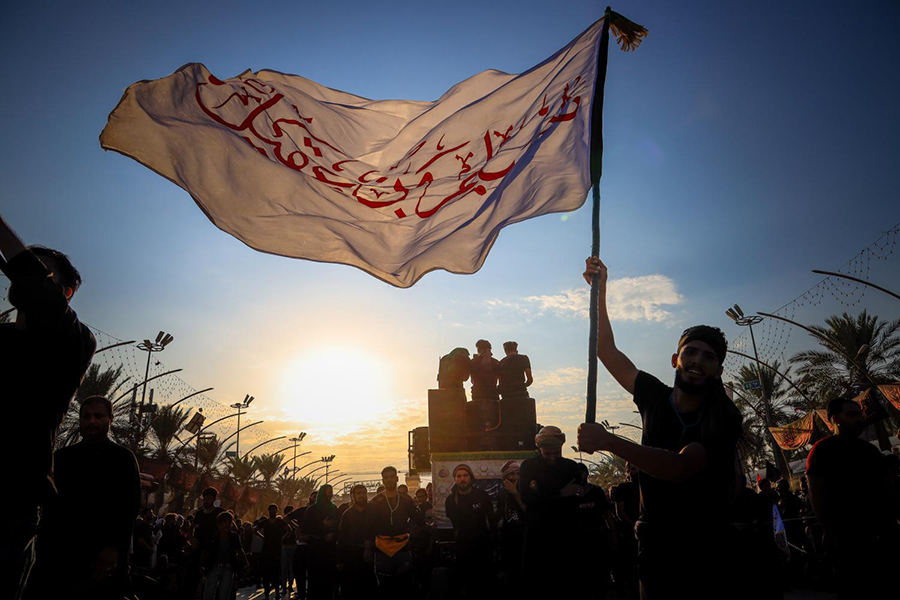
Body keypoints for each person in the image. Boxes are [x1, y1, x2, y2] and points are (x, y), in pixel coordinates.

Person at [577, 256, 744, 600]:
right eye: (691, 352)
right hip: (654, 542)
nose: (697, 360)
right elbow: (605, 350)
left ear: (718, 371)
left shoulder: (723, 415)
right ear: (675, 360)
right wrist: (600, 290)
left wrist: (609, 441)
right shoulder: (653, 394)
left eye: (709, 357)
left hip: (707, 547)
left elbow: (679, 468)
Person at [0, 214, 97, 599]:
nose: (26, 277)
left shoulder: (75, 340)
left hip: (12, 497)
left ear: (67, 293)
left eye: (45, 274)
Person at [28, 395, 140, 600]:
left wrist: (113, 547)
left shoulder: (123, 459)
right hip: (60, 558)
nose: (92, 421)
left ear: (110, 419)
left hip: (101, 561)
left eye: (98, 416)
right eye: (86, 416)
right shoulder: (62, 458)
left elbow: (128, 509)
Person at [806, 396, 899, 599]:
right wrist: (828, 531)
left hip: (879, 532)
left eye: (860, 415)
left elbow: (887, 489)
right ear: (835, 419)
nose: (859, 419)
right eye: (852, 414)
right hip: (846, 536)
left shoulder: (869, 451)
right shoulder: (822, 450)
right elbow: (816, 493)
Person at [518, 426, 583, 596]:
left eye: (556, 453)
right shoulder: (528, 467)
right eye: (548, 454)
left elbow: (575, 498)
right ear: (539, 449)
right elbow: (526, 497)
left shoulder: (571, 467)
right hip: (537, 535)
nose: (552, 457)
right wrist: (560, 493)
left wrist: (541, 492)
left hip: (564, 534)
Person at [365, 466, 424, 596]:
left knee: (405, 585)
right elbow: (369, 526)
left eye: (392, 477)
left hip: (402, 546)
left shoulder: (406, 499)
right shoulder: (376, 501)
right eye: (386, 478)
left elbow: (418, 519)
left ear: (397, 478)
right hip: (382, 547)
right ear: (383, 481)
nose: (389, 480)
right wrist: (367, 548)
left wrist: (415, 531)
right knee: (385, 587)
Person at [445, 464, 497, 596]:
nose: (462, 479)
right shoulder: (451, 500)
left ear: (471, 477)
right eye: (459, 476)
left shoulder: (482, 495)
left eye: (465, 475)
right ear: (455, 479)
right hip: (463, 547)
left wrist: (494, 541)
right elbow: (454, 524)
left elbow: (491, 520)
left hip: (483, 546)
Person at [574, 463, 617, 599]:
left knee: (600, 577)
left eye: (582, 473)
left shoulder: (596, 492)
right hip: (578, 542)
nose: (580, 477)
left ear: (586, 474)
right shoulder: (569, 495)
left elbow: (607, 514)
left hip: (597, 540)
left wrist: (613, 536)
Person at [300, 485, 338, 600]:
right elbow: (305, 530)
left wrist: (333, 534)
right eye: (328, 492)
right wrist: (322, 526)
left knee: (329, 581)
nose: (330, 494)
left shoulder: (333, 508)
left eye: (331, 492)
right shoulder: (312, 510)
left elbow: (338, 526)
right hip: (315, 551)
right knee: (315, 581)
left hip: (330, 550)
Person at [201, 511, 248, 600]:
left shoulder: (234, 537)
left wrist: (245, 564)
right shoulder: (213, 537)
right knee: (208, 593)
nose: (227, 524)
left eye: (229, 521)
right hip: (213, 567)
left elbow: (240, 550)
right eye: (224, 522)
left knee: (224, 594)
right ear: (219, 524)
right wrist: (202, 565)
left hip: (228, 568)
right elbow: (205, 551)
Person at [338, 485, 373, 599]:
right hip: (352, 556)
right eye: (358, 493)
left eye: (363, 492)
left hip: (371, 556)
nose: (361, 495)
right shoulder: (347, 514)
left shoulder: (373, 511)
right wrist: (340, 560)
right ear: (353, 496)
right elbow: (342, 538)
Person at [610, 463, 639, 599]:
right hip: (629, 533)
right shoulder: (623, 488)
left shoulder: (645, 487)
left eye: (637, 468)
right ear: (627, 471)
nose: (634, 472)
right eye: (631, 469)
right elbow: (620, 512)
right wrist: (634, 525)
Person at [495, 460, 525, 586]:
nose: (515, 477)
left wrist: (515, 493)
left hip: (524, 536)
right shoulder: (502, 493)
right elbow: (499, 513)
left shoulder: (526, 491)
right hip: (508, 537)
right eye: (512, 474)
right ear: (506, 477)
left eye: (518, 474)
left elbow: (528, 511)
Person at [288, 491, 317, 600]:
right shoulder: (302, 510)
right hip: (302, 545)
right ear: (310, 497)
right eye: (314, 496)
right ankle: (301, 594)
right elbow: (286, 518)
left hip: (314, 546)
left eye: (317, 497)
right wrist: (297, 528)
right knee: (300, 572)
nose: (315, 498)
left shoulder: (320, 511)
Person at [259, 504, 288, 599]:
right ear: (268, 511)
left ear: (276, 511)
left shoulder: (280, 522)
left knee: (276, 572)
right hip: (266, 549)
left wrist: (282, 539)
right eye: (271, 510)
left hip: (276, 549)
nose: (272, 511)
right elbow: (255, 530)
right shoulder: (265, 522)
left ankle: (276, 591)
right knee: (266, 572)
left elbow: (289, 530)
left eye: (274, 510)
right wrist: (263, 537)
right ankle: (267, 592)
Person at [280, 505, 297, 596]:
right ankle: (285, 587)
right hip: (286, 546)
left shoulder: (295, 522)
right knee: (285, 568)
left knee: (289, 568)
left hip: (291, 546)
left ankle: (288, 586)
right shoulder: (283, 522)